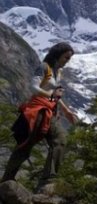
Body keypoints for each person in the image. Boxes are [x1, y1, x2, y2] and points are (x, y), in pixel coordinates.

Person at [1, 42, 78, 185]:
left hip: (50, 111)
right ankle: (7, 180)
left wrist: (66, 110)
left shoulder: (58, 72)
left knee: (60, 139)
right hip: (37, 111)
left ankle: (49, 178)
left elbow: (54, 95)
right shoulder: (44, 67)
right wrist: (50, 95)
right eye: (66, 58)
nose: (67, 62)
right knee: (25, 146)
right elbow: (34, 87)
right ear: (58, 55)